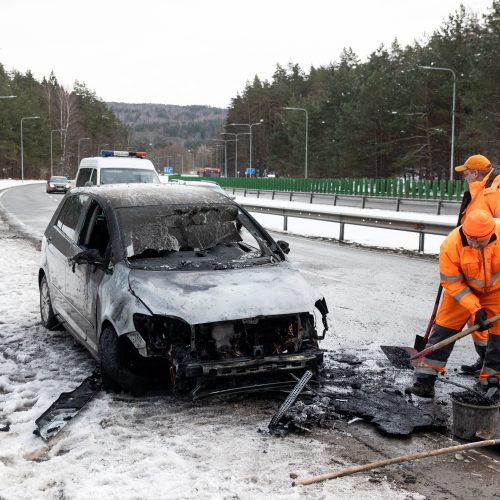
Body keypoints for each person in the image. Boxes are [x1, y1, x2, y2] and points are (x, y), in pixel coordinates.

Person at [406, 209, 500, 397]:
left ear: (491, 234)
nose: (473, 243)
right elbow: (452, 282)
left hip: (496, 291)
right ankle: (425, 381)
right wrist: (475, 307)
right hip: (461, 291)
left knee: (499, 337)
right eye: (470, 238)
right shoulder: (451, 244)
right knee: (443, 329)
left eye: (479, 240)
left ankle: (492, 383)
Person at [455, 154, 500, 374]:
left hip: (490, 256)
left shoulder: (495, 188)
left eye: (466, 173)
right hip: (473, 254)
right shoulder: (481, 188)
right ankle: (483, 359)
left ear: (475, 173)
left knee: (492, 317)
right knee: (476, 313)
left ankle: (492, 368)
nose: (464, 176)